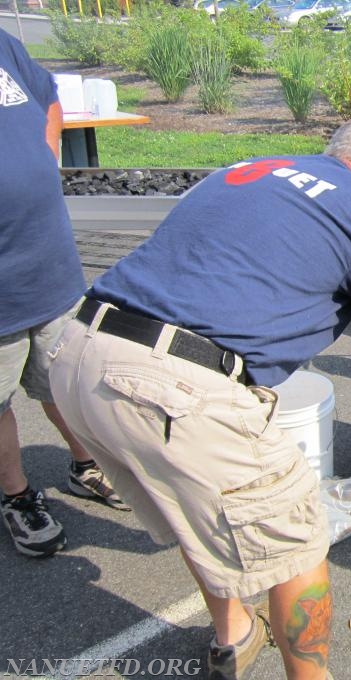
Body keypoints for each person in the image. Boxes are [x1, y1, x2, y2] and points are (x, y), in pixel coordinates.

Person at [48, 108, 351, 680]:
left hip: (80, 352)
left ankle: (233, 635)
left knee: (195, 510)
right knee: (301, 546)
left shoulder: (254, 167)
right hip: (172, 386)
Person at [0, 27, 128, 559]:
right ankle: (17, 495)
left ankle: (84, 465)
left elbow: (47, 94)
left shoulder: (2, 43)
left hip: (47, 262)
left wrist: (44, 155)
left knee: (66, 379)